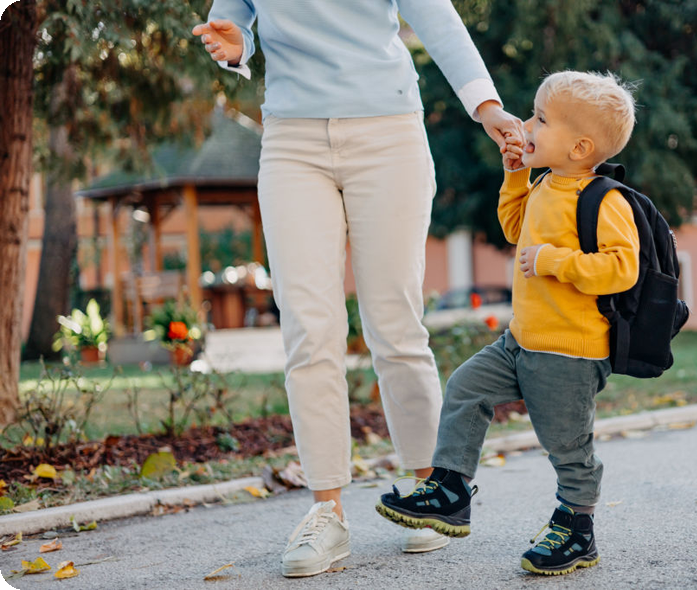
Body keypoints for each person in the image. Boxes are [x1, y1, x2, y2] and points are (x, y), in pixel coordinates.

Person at [191, 0, 524, 579]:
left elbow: (437, 18)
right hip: (293, 138)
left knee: (395, 322)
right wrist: (235, 47)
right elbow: (232, 22)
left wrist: (486, 106)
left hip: (388, 130)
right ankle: (327, 510)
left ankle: (433, 493)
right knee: (308, 329)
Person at [376, 70, 640, 576]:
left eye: (540, 119)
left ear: (580, 147)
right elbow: (515, 228)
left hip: (569, 352)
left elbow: (621, 268)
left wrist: (553, 261)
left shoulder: (604, 200)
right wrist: (515, 175)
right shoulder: (544, 185)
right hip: (519, 340)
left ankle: (577, 527)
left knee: (567, 446)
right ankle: (450, 489)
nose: (527, 125)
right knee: (465, 387)